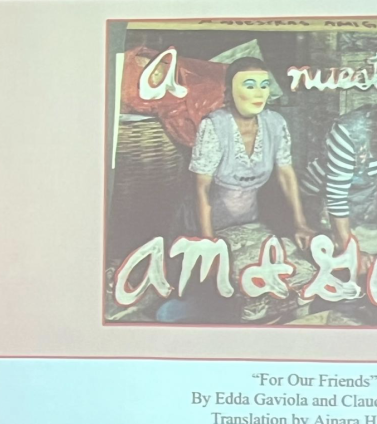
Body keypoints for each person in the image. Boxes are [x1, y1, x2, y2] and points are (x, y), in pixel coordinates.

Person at [158, 57, 315, 323]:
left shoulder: (275, 124)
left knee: (293, 274)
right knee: (234, 290)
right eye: (249, 85)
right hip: (204, 225)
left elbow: (286, 174)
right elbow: (201, 188)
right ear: (229, 91)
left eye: (264, 85)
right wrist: (209, 242)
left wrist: (301, 223)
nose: (258, 93)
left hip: (249, 222)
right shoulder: (215, 126)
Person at [300, 104, 377, 275]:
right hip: (322, 203)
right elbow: (336, 197)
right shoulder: (349, 132)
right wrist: (351, 252)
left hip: (366, 203)